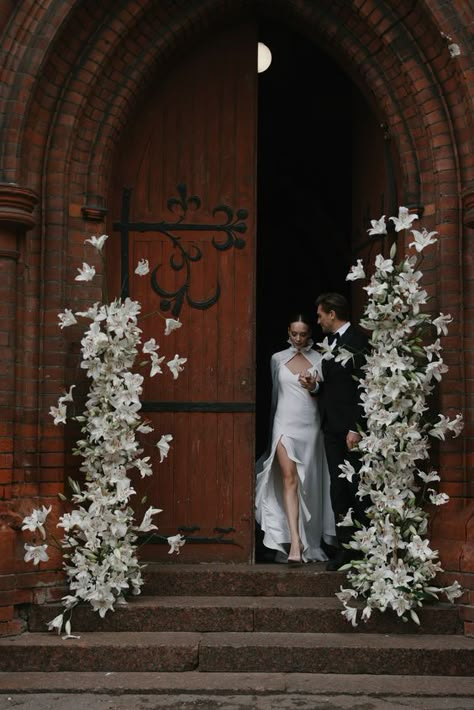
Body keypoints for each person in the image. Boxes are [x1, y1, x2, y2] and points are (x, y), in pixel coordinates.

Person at [255, 314, 336, 564]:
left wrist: (313, 387)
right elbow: (275, 396)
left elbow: (324, 394)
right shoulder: (277, 359)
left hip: (310, 427)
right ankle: (294, 543)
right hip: (284, 424)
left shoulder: (321, 358)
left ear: (310, 333)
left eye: (303, 334)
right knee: (289, 479)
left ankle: (309, 539)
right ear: (288, 333)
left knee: (308, 484)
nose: (298, 339)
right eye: (294, 334)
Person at [299, 293, 369, 571]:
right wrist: (314, 387)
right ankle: (345, 549)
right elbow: (332, 387)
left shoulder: (359, 342)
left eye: (319, 315)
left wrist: (357, 427)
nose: (318, 321)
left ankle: (360, 551)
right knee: (338, 489)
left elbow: (366, 385)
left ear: (331, 314)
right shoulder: (329, 344)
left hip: (351, 432)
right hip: (331, 429)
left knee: (355, 489)